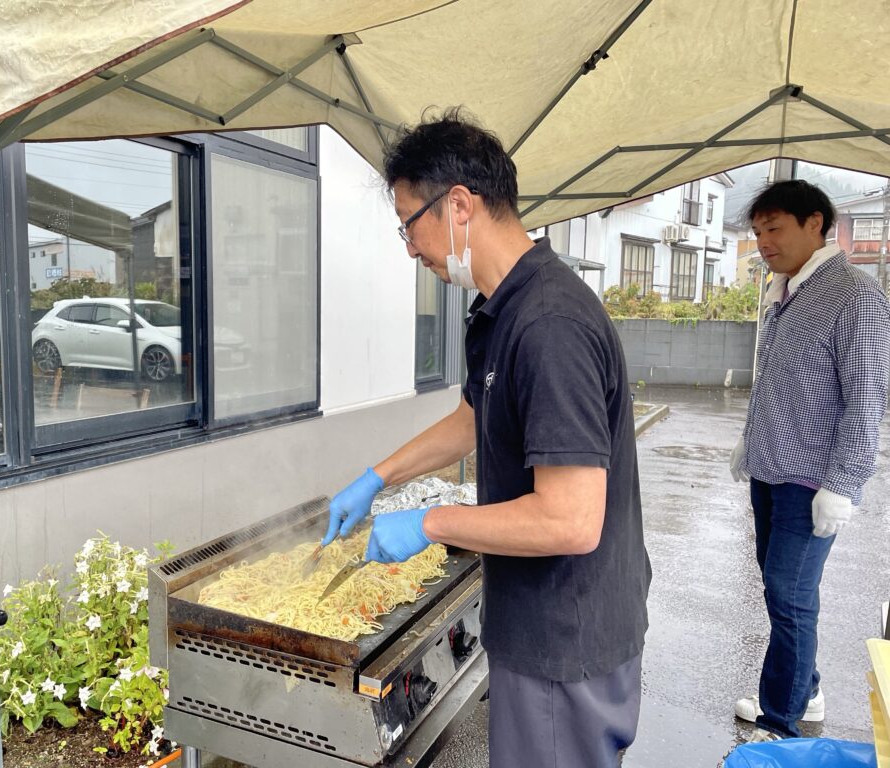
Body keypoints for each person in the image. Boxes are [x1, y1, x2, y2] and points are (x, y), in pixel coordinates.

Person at [321, 109, 651, 768]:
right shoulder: (504, 308)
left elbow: (570, 520)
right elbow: (475, 417)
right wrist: (379, 476)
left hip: (564, 637)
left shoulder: (549, 325)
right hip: (542, 623)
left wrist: (432, 523)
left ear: (459, 205)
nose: (409, 248)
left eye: (409, 224)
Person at [729, 179, 890, 743]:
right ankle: (806, 688)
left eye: (774, 228)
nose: (763, 243)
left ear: (815, 223)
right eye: (757, 232)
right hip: (770, 469)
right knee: (784, 592)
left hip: (813, 480)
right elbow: (776, 380)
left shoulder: (855, 295)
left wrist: (844, 482)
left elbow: (868, 398)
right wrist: (749, 442)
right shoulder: (785, 289)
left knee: (789, 595)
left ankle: (781, 722)